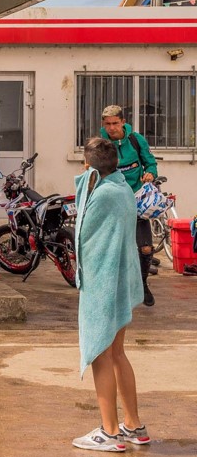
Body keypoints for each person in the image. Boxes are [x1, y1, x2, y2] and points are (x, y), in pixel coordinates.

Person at [71, 137, 148, 452]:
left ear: (89, 165)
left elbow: (85, 235)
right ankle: (133, 425)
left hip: (103, 284)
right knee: (117, 353)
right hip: (121, 281)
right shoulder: (123, 190)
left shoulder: (101, 196)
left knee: (101, 354)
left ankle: (110, 431)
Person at [99, 105, 158, 306]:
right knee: (114, 250)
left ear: (123, 122)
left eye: (115, 123)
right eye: (108, 124)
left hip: (137, 200)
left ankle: (142, 284)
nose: (112, 128)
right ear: (103, 125)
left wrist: (150, 173)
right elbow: (92, 171)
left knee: (146, 249)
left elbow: (150, 163)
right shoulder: (101, 144)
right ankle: (113, 290)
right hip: (113, 202)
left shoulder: (136, 140)